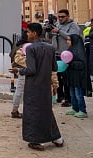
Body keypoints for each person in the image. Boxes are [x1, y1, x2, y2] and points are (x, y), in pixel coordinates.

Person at [10, 23, 63, 151]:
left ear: (34, 33)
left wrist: (19, 71)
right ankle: (57, 138)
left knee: (32, 113)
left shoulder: (31, 48)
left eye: (28, 32)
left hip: (33, 86)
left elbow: (31, 70)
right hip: (45, 85)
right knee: (46, 111)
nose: (27, 34)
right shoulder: (50, 48)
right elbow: (54, 67)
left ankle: (36, 140)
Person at [50, 9, 82, 106]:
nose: (60, 19)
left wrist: (59, 31)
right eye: (59, 17)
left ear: (68, 16)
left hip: (68, 55)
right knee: (58, 77)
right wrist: (48, 31)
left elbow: (72, 38)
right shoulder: (57, 25)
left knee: (67, 78)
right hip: (57, 54)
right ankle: (60, 96)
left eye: (62, 17)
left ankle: (69, 99)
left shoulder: (73, 26)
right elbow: (50, 37)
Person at [64, 34, 88, 118]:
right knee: (72, 93)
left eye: (69, 40)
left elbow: (81, 64)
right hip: (71, 76)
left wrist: (70, 63)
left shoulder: (79, 50)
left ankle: (82, 110)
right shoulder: (70, 49)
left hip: (78, 77)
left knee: (78, 94)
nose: (67, 42)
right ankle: (75, 108)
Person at [9, 33, 28, 119]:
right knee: (21, 91)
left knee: (19, 90)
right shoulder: (26, 46)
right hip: (24, 69)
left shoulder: (17, 44)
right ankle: (14, 110)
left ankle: (15, 110)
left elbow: (11, 54)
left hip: (18, 69)